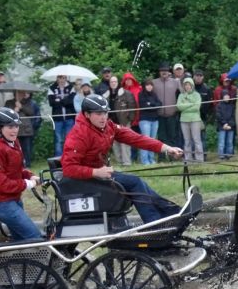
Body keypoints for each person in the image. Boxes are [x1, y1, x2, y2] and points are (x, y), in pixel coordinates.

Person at [61, 94, 184, 223]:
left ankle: (172, 212)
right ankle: (155, 223)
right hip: (84, 180)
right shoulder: (79, 134)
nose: (103, 117)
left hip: (100, 174)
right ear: (87, 114)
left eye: (105, 112)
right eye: (98, 113)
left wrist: (166, 148)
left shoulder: (108, 126)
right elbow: (68, 168)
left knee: (137, 183)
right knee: (134, 182)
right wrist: (96, 172)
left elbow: (136, 139)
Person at [0, 107, 42, 241]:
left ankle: (19, 262)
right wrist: (29, 183)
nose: (14, 130)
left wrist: (29, 175)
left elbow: (15, 169)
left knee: (20, 239)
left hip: (12, 199)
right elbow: (2, 184)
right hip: (0, 202)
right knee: (34, 237)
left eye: (16, 126)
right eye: (10, 127)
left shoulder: (12, 141)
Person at [107, 74, 137, 166]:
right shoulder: (106, 95)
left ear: (118, 83)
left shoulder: (126, 93)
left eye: (115, 81)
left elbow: (132, 107)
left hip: (123, 122)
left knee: (125, 143)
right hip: (111, 123)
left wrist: (129, 120)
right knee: (115, 144)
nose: (113, 83)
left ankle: (127, 163)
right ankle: (119, 162)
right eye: (111, 82)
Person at [6, 91, 40, 167]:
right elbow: (7, 114)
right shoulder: (9, 102)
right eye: (20, 93)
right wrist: (14, 111)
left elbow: (31, 112)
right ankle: (14, 164)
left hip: (26, 130)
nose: (23, 95)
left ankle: (27, 165)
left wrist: (21, 107)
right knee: (13, 148)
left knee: (26, 149)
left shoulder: (29, 102)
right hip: (13, 130)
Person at [153, 62, 181, 148]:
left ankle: (173, 158)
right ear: (159, 72)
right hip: (159, 115)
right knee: (161, 138)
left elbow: (184, 93)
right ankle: (162, 158)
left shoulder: (175, 82)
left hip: (172, 115)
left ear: (169, 71)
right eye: (162, 70)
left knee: (172, 136)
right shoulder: (154, 82)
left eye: (165, 70)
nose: (164, 72)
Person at [47, 74, 76, 157]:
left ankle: (70, 156)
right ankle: (58, 157)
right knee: (58, 139)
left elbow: (71, 101)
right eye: (60, 78)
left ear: (66, 78)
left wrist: (59, 101)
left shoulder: (71, 87)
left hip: (69, 117)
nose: (62, 80)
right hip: (57, 118)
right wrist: (64, 101)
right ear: (57, 78)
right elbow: (51, 103)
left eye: (64, 78)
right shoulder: (52, 88)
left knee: (69, 138)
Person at [177, 76, 203, 162]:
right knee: (187, 141)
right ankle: (188, 159)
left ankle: (199, 159)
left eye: (189, 85)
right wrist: (191, 104)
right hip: (184, 120)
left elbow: (196, 107)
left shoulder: (197, 95)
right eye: (185, 85)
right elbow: (179, 107)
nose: (187, 86)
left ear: (192, 85)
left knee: (196, 140)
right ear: (183, 86)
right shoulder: (181, 95)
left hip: (195, 120)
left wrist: (186, 105)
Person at [136, 78, 161, 164]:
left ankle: (152, 159)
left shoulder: (154, 94)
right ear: (144, 86)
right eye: (147, 85)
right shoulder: (141, 94)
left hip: (155, 120)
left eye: (151, 85)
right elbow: (144, 106)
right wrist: (154, 105)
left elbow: (159, 104)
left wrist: (151, 104)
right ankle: (145, 161)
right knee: (145, 140)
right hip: (144, 120)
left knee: (153, 140)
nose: (149, 87)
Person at [216, 88, 236, 159]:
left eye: (228, 96)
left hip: (231, 126)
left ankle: (229, 155)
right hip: (222, 126)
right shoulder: (219, 105)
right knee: (222, 142)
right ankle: (221, 155)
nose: (227, 97)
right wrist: (224, 124)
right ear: (222, 96)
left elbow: (233, 116)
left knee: (229, 142)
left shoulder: (232, 106)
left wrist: (230, 124)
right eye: (225, 96)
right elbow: (218, 115)